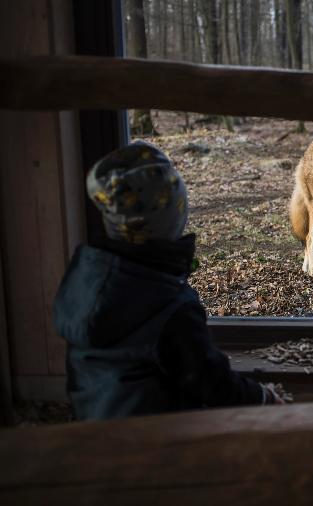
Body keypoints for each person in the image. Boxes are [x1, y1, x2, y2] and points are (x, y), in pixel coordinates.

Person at [53, 140, 282, 420]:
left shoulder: (87, 276)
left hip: (95, 430)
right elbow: (210, 380)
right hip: (156, 442)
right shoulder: (168, 305)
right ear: (172, 218)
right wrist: (261, 398)